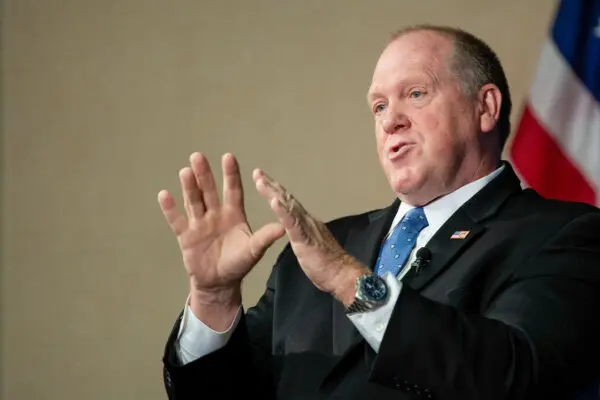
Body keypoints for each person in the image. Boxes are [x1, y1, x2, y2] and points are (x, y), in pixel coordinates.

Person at [157, 24, 600, 399]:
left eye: (416, 94)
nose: (391, 121)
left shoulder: (563, 235)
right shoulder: (313, 252)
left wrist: (349, 281)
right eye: (380, 106)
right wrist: (213, 299)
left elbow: (511, 376)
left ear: (485, 107)